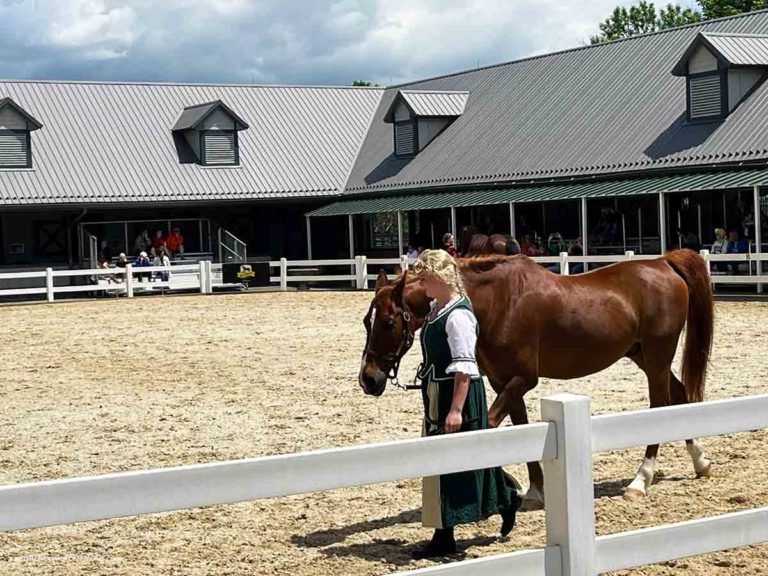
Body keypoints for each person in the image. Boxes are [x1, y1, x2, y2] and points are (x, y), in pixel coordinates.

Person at [411, 249, 521, 558]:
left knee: (454, 462)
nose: (422, 284)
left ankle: (444, 537)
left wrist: (456, 409)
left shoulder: (458, 315)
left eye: (425, 278)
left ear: (440, 278)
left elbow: (464, 367)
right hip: (438, 392)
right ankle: (506, 496)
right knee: (450, 460)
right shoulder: (437, 308)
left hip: (455, 395)